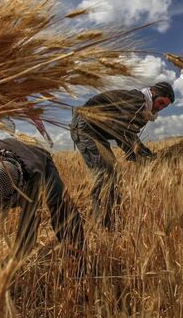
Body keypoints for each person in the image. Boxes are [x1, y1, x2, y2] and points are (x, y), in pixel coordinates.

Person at [70, 82, 174, 229]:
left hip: (95, 131)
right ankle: (105, 225)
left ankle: (112, 220)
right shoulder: (138, 101)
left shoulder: (144, 108)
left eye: (165, 106)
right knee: (106, 175)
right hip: (85, 126)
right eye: (161, 102)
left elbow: (127, 135)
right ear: (153, 93)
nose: (160, 108)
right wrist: (146, 157)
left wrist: (142, 156)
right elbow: (123, 133)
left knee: (113, 175)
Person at [0, 135, 85, 262]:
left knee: (57, 201)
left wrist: (14, 262)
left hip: (38, 153)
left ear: (16, 194)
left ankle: (76, 249)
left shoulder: (33, 176)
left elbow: (29, 226)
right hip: (10, 147)